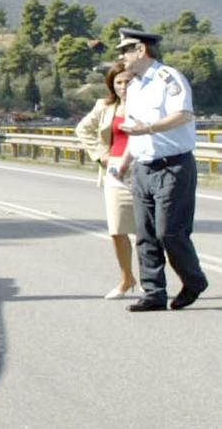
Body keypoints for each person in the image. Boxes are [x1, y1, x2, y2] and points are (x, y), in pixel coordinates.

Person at [116, 28, 209, 312]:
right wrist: (126, 161)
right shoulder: (134, 86)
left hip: (173, 166)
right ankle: (153, 293)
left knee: (169, 232)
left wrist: (149, 128)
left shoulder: (168, 78)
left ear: (141, 50)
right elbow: (133, 128)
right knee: (145, 235)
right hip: (143, 167)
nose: (122, 56)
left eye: (125, 50)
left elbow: (183, 114)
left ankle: (193, 281)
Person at [75, 62, 138, 299]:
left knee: (148, 231)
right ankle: (126, 278)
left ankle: (151, 280)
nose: (123, 86)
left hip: (143, 169)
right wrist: (101, 155)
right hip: (114, 171)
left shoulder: (148, 104)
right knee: (117, 228)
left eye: (128, 81)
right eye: (118, 82)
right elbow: (82, 129)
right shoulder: (104, 106)